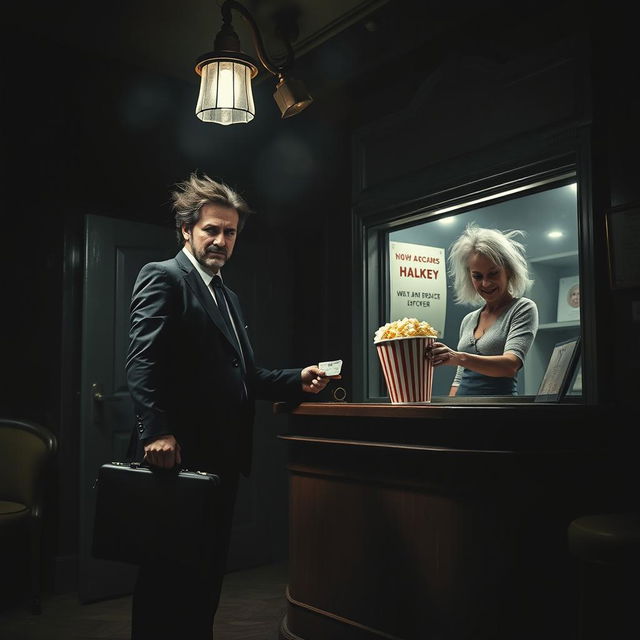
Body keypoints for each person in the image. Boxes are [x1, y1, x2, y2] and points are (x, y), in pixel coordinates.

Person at [125, 172, 335, 640]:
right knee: (165, 579)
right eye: (211, 230)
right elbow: (142, 364)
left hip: (222, 460)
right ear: (186, 230)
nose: (221, 240)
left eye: (230, 232)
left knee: (204, 576)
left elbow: (248, 377)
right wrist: (156, 431)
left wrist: (298, 379)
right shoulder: (164, 277)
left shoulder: (228, 296)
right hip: (175, 460)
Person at [426, 222, 539, 396]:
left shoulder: (522, 308)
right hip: (463, 413)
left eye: (493, 273)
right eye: (477, 276)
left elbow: (510, 365)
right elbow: (459, 377)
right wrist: (449, 408)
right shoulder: (469, 320)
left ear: (508, 271)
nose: (485, 283)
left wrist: (459, 357)